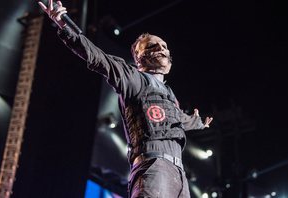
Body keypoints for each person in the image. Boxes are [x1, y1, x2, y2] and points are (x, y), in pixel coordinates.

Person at [38, 1, 213, 197]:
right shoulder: (133, 78)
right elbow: (98, 57)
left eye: (164, 46)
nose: (161, 48)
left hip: (179, 177)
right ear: (138, 57)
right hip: (154, 167)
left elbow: (180, 120)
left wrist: (199, 123)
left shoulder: (169, 95)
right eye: (153, 46)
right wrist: (64, 25)